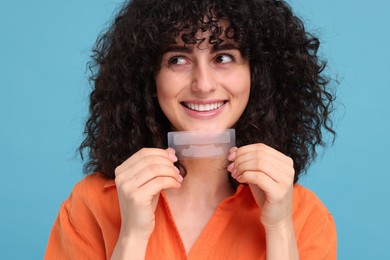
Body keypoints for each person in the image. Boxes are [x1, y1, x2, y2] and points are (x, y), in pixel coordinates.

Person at [45, 0, 337, 259]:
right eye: (178, 59)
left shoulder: (304, 215)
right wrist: (132, 237)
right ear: (148, 78)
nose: (203, 84)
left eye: (223, 57)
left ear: (258, 74)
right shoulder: (90, 205)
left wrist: (279, 229)